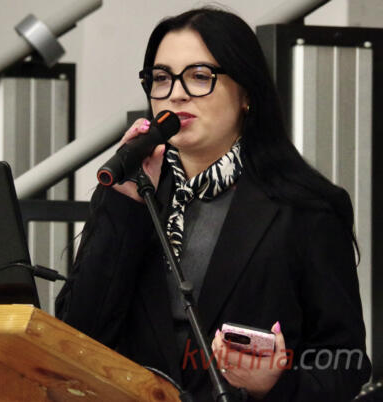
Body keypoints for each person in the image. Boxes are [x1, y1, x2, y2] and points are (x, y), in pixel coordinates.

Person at [56, 6, 371, 401]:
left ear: (246, 94)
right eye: (161, 78)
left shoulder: (306, 209)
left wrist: (274, 384)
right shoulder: (131, 192)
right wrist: (123, 209)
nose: (176, 93)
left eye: (200, 76)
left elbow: (346, 363)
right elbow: (76, 339)